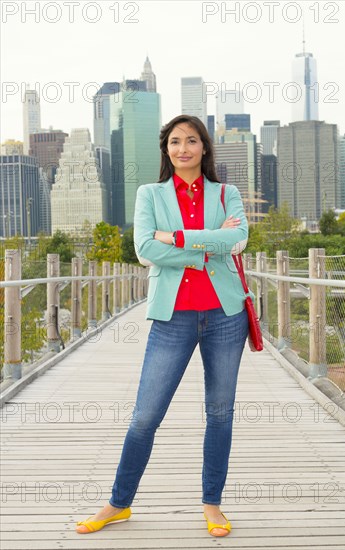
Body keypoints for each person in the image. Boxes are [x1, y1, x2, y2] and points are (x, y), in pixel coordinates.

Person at [76, 114, 252, 537]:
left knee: (220, 413)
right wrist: (207, 244)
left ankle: (212, 503)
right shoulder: (149, 194)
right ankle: (118, 503)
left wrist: (175, 237)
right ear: (166, 149)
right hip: (172, 316)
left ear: (204, 148)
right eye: (175, 141)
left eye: (192, 141)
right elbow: (143, 249)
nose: (183, 148)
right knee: (145, 416)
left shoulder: (227, 193)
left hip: (226, 315)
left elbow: (239, 239)